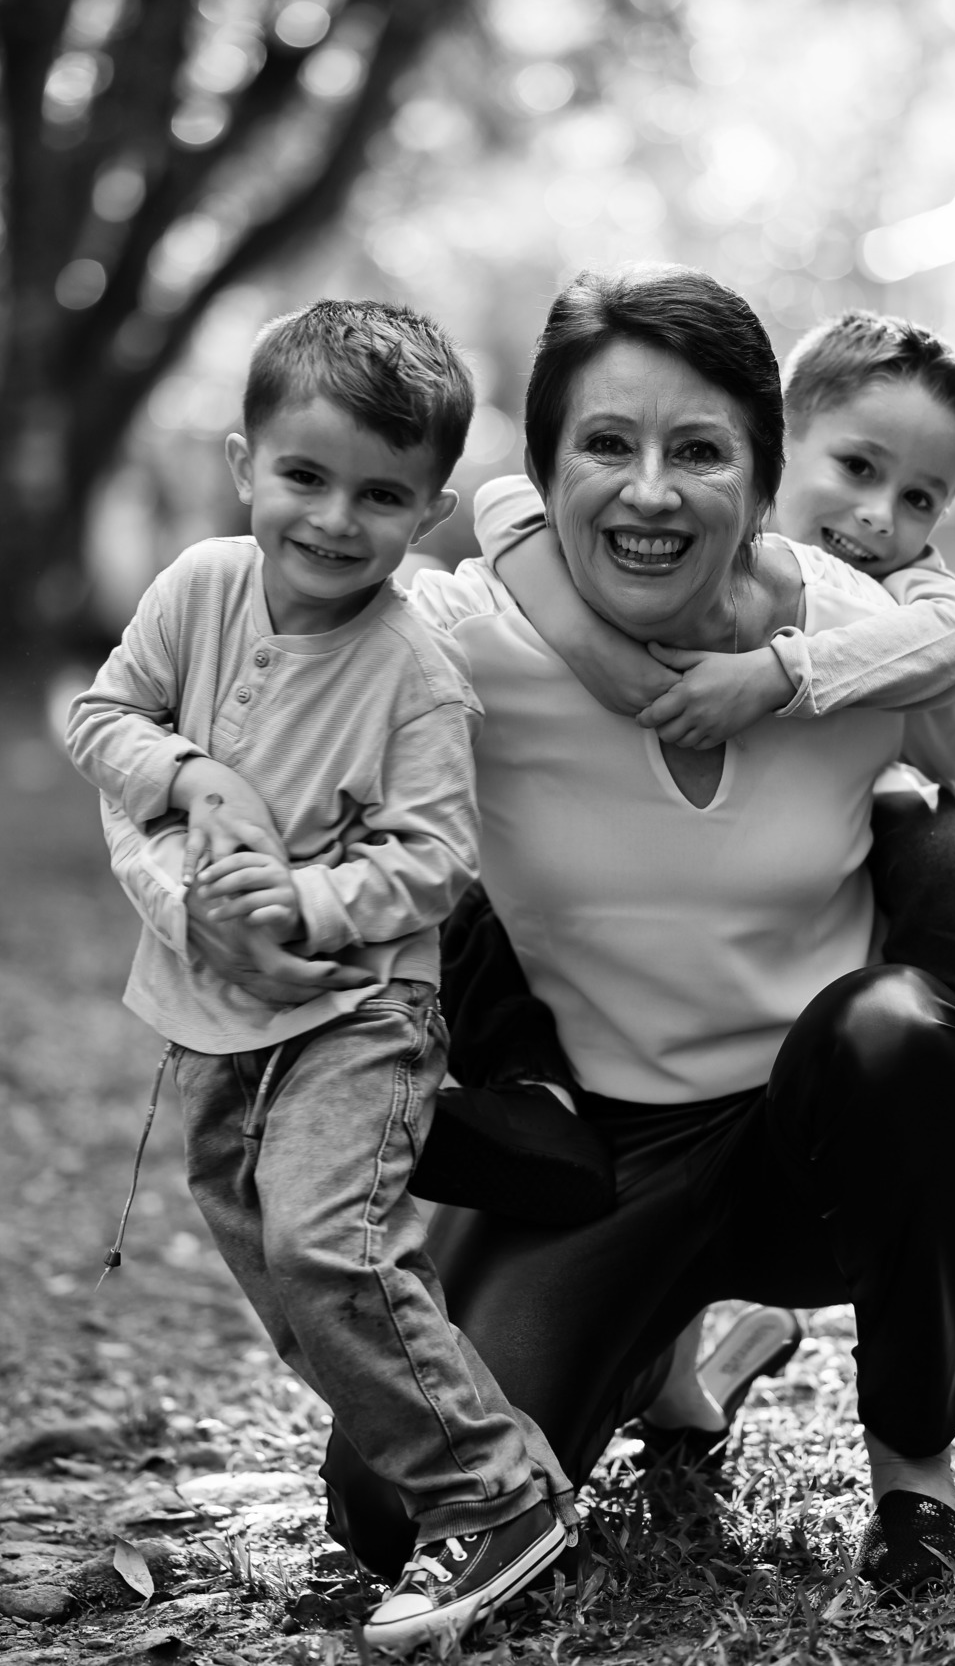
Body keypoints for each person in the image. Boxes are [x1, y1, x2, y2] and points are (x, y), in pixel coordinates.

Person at [303, 263, 955, 1603]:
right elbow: (282, 680)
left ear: (762, 480)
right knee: (389, 1507)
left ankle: (916, 1487)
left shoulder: (850, 633)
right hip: (599, 1151)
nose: (649, 493)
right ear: (544, 472)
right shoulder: (467, 641)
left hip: (818, 1139)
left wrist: (878, 765)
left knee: (906, 1033)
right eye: (605, 447)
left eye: (699, 452)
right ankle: (682, 1349)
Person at [66, 300, 575, 1653]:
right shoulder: (198, 588)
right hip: (216, 1020)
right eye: (306, 476)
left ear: (431, 510)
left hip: (363, 1011)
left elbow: (439, 858)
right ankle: (460, 1465)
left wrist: (306, 898)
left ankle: (497, 1498)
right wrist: (189, 773)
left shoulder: (416, 672)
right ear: (246, 464)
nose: (337, 519)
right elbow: (102, 716)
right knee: (276, 1268)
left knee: (324, 1243)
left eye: (381, 495)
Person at [471, 307, 955, 1246]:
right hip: (656, 960)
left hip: (845, 878)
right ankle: (537, 1107)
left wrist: (778, 676)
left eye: (921, 498)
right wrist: (588, 646)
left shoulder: (910, 587)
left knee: (947, 850)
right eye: (857, 468)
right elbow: (506, 501)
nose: (881, 515)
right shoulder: (692, 523)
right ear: (775, 445)